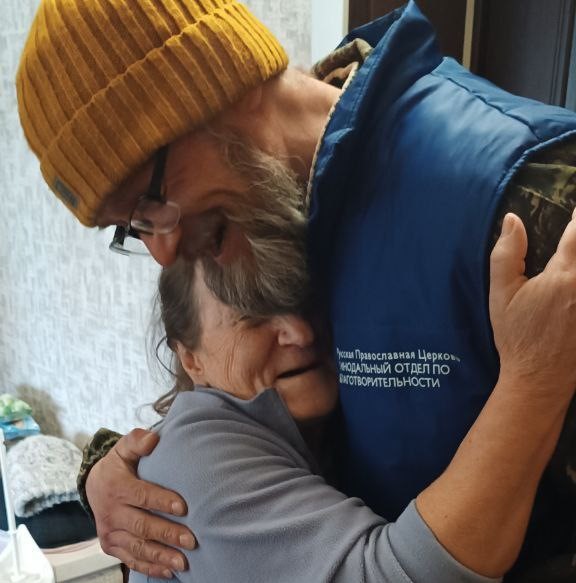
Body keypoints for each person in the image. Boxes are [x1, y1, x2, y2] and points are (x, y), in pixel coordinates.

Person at [15, 0, 576, 579]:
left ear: (223, 79)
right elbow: (235, 402)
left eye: (148, 198)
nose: (163, 253)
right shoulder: (271, 214)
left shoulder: (528, 197)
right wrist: (114, 465)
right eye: (131, 228)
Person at [127, 216, 576, 582]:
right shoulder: (195, 464)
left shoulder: (300, 425)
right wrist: (535, 374)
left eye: (301, 299)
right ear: (190, 358)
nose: (301, 333)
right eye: (251, 316)